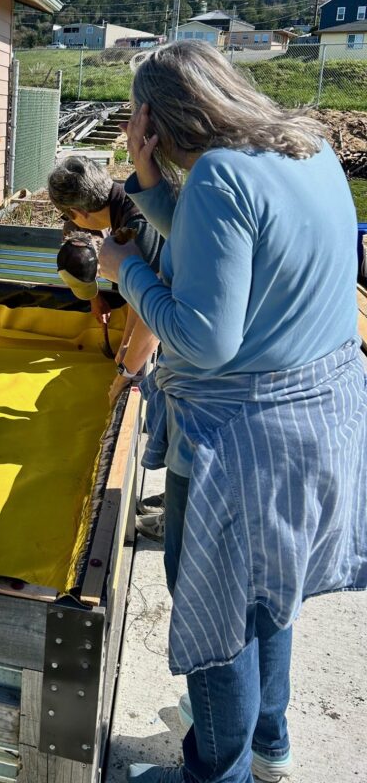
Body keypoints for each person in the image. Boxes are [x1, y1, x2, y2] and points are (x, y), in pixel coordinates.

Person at [97, 40, 367, 783]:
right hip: (322, 423)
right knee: (270, 597)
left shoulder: (219, 175)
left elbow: (204, 341)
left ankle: (217, 770)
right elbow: (230, 244)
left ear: (154, 117)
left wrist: (130, 274)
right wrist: (150, 184)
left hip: (241, 442)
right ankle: (267, 742)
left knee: (219, 619)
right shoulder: (306, 149)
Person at [49, 156, 163, 412]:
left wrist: (126, 373)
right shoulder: (122, 203)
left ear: (79, 212)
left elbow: (153, 314)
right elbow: (139, 294)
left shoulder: (139, 227)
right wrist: (125, 344)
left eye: (68, 215)